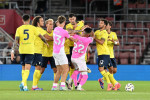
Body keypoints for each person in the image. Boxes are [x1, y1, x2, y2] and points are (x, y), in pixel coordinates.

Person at [11, 14, 48, 91]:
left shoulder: (19, 29)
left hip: (22, 50)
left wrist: (12, 51)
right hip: (30, 50)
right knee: (28, 68)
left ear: (22, 20)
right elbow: (41, 36)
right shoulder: (32, 28)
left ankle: (25, 86)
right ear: (29, 20)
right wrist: (46, 42)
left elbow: (16, 40)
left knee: (23, 68)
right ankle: (23, 82)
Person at [51, 16, 77, 91]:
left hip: (54, 52)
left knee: (59, 70)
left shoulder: (55, 29)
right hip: (60, 52)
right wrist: (76, 40)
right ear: (64, 23)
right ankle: (62, 86)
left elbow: (64, 35)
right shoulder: (64, 32)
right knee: (66, 69)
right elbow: (70, 38)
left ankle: (54, 86)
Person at [98, 21, 121, 90]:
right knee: (108, 70)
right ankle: (114, 84)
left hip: (112, 55)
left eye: (107, 25)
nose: (106, 26)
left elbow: (118, 43)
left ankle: (102, 79)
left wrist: (114, 42)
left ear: (110, 26)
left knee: (114, 70)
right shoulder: (103, 33)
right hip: (105, 54)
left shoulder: (113, 34)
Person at [94, 19, 112, 91]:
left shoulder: (104, 32)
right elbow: (92, 37)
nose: (99, 24)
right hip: (101, 53)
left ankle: (109, 84)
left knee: (100, 69)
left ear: (104, 25)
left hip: (104, 53)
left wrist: (94, 37)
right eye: (99, 23)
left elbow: (101, 42)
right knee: (105, 70)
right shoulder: (97, 32)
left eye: (101, 23)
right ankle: (102, 80)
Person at [31, 16, 49, 91]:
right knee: (38, 68)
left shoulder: (33, 29)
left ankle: (34, 86)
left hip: (35, 50)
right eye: (41, 21)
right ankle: (34, 86)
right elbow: (47, 37)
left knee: (38, 68)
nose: (43, 22)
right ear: (38, 23)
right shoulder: (39, 30)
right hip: (37, 51)